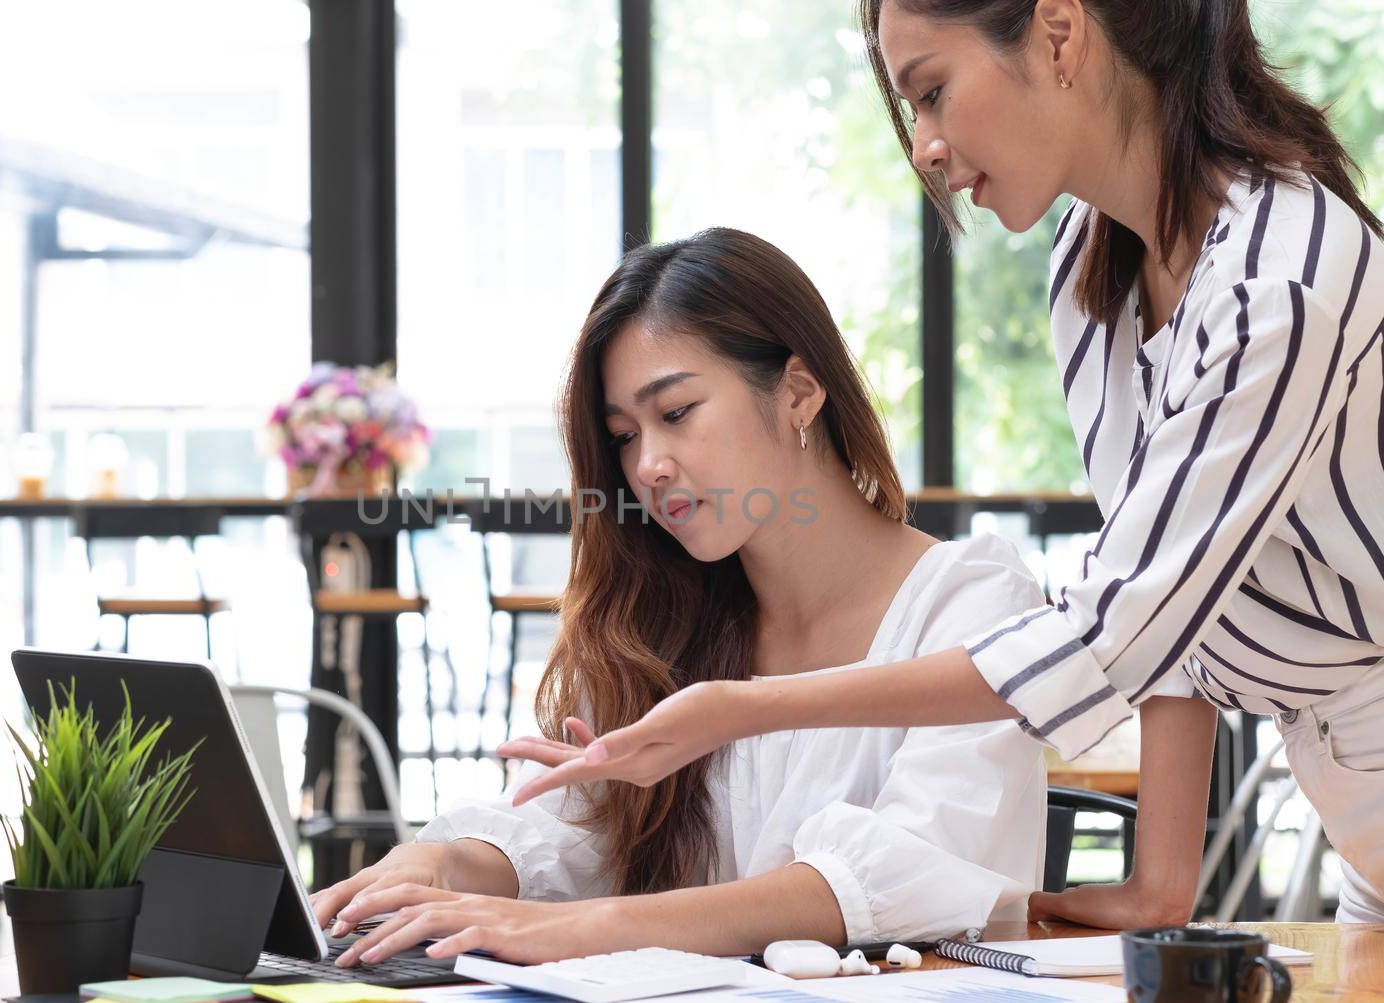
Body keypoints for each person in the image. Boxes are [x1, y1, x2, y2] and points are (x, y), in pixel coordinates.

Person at [508, 0, 1384, 929]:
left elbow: (1109, 632)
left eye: (932, 92)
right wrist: (1159, 879)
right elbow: (1165, 584)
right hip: (1351, 806)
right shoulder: (1093, 255)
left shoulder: (1277, 281)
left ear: (1057, 31)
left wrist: (742, 708)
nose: (923, 146)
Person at [307, 227, 1049, 967]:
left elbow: (891, 878)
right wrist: (444, 865)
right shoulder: (662, 622)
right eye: (624, 435)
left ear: (798, 390)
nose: (648, 465)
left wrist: (588, 928)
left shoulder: (972, 605)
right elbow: (571, 828)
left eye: (676, 412)